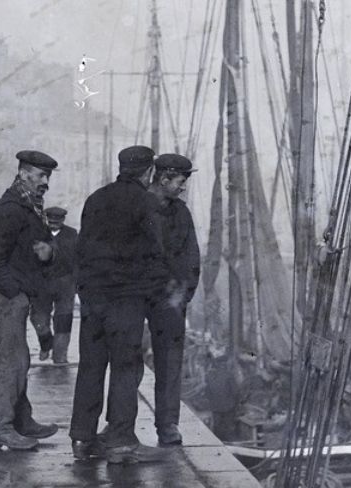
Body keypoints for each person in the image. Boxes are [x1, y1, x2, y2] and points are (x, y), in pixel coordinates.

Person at [70, 145, 171, 464]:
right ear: (148, 172)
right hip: (126, 299)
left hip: (92, 299)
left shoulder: (95, 199)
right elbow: (158, 254)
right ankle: (121, 441)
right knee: (126, 367)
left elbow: (81, 250)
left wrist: (85, 292)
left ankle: (82, 438)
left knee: (91, 365)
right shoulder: (147, 202)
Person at [0, 149, 63, 451]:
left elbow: (36, 253)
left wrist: (48, 253)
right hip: (0, 295)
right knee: (12, 361)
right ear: (23, 174)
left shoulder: (29, 207)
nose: (45, 182)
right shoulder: (10, 209)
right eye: (40, 175)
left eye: (47, 176)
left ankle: (22, 421)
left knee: (19, 359)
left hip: (9, 293)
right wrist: (16, 294)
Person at [146, 153, 200, 447]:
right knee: (127, 362)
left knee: (169, 363)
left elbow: (192, 257)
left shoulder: (181, 214)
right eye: (180, 182)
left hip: (169, 301)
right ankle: (119, 427)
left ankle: (167, 424)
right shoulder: (137, 208)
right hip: (137, 297)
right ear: (164, 179)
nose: (182, 188)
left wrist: (183, 293)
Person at [30, 207, 79, 364]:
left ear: (63, 221)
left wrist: (77, 281)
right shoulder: (37, 233)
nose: (53, 225)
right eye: (50, 221)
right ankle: (46, 343)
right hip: (42, 284)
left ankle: (60, 355)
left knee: (64, 320)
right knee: (38, 317)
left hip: (65, 283)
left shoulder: (72, 234)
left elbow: (78, 259)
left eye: (57, 222)